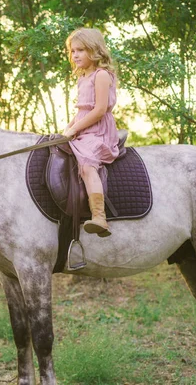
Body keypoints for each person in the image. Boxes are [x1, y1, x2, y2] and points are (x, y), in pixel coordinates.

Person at [62, 28, 120, 237]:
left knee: (86, 165)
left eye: (80, 50)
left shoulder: (101, 75)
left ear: (94, 51)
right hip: (83, 128)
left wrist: (75, 129)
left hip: (98, 132)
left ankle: (99, 217)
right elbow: (82, 111)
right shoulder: (82, 77)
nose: (74, 55)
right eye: (72, 51)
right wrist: (67, 129)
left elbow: (98, 110)